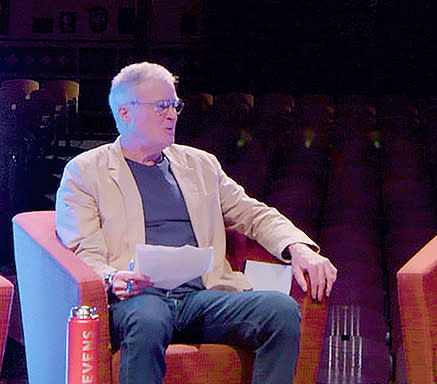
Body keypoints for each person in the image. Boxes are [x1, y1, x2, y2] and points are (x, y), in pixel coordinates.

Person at [54, 62, 338, 384]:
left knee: (281, 310)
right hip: (137, 299)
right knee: (148, 318)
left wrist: (297, 247)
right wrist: (112, 277)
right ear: (124, 112)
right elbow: (82, 250)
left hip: (201, 296)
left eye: (175, 105)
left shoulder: (200, 164)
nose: (172, 114)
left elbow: (252, 213)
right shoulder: (85, 171)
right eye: (161, 106)